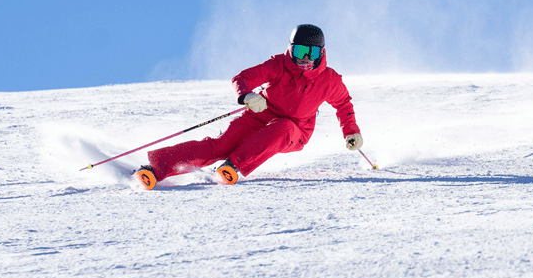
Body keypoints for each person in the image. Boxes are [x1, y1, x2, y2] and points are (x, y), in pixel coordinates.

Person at [134, 24, 363, 189]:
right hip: (260, 116)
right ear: (290, 49)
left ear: (321, 53)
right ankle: (155, 168)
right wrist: (247, 96)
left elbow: (343, 104)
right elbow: (242, 78)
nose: (304, 59)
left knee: (282, 127)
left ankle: (232, 166)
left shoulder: (329, 80)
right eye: (299, 51)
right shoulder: (279, 65)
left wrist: (351, 132)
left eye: (311, 53)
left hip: (296, 131)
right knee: (220, 146)